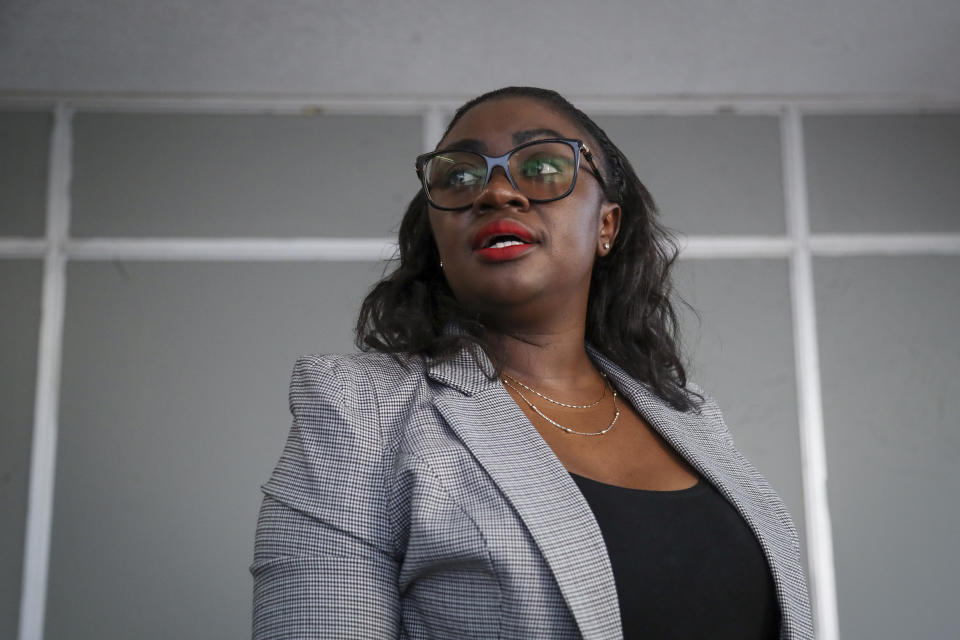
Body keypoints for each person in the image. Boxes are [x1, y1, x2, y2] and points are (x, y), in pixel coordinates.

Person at [250, 86, 814, 639]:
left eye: (542, 166)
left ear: (606, 226)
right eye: (460, 175)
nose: (495, 193)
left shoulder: (692, 420)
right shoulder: (360, 409)